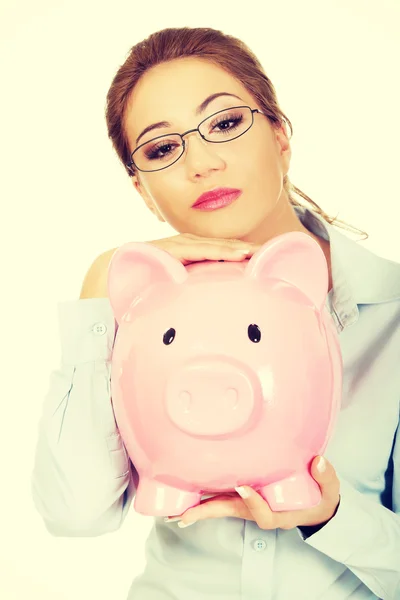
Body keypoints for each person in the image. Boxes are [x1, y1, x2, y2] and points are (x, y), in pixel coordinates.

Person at [31, 26, 400, 600]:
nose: (201, 163)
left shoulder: (393, 313)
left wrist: (330, 517)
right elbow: (77, 514)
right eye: (161, 149)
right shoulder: (138, 306)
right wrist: (99, 286)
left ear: (279, 135)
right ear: (142, 191)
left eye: (225, 124)